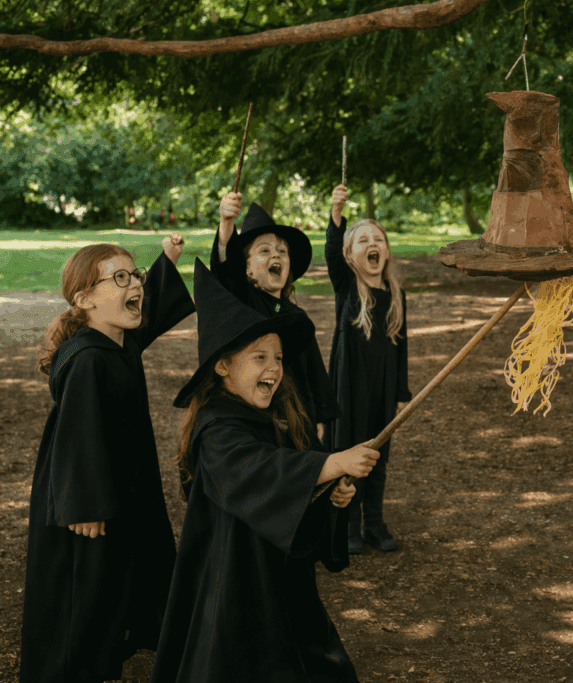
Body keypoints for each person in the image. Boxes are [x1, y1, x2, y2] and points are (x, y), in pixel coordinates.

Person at [149, 260, 379, 683]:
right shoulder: (217, 429)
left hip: (284, 582)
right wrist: (331, 464)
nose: (274, 368)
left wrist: (330, 491)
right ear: (222, 366)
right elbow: (257, 471)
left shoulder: (279, 417)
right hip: (235, 582)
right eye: (259, 357)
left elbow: (295, 479)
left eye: (278, 358)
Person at [21, 237, 194, 683]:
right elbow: (77, 432)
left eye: (134, 275)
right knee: (87, 593)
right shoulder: (88, 361)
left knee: (122, 578)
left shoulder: (119, 341)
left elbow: (146, 310)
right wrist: (85, 504)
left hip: (119, 491)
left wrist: (165, 263)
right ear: (84, 300)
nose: (133, 284)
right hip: (88, 503)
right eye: (119, 278)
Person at [211, 192, 340, 448]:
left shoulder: (297, 317)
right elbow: (227, 270)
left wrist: (320, 418)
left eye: (282, 250)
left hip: (300, 421)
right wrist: (226, 223)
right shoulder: (245, 304)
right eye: (264, 250)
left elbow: (314, 373)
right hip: (261, 421)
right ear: (246, 267)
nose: (276, 255)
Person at [325, 184, 412, 554]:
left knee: (379, 455)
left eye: (378, 239)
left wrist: (402, 395)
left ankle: (374, 523)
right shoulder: (347, 288)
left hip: (382, 390)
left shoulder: (395, 295)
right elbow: (329, 250)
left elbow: (402, 347)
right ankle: (347, 527)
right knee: (351, 452)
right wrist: (336, 212)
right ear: (349, 255)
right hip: (347, 389)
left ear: (386, 251)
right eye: (362, 240)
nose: (372, 244)